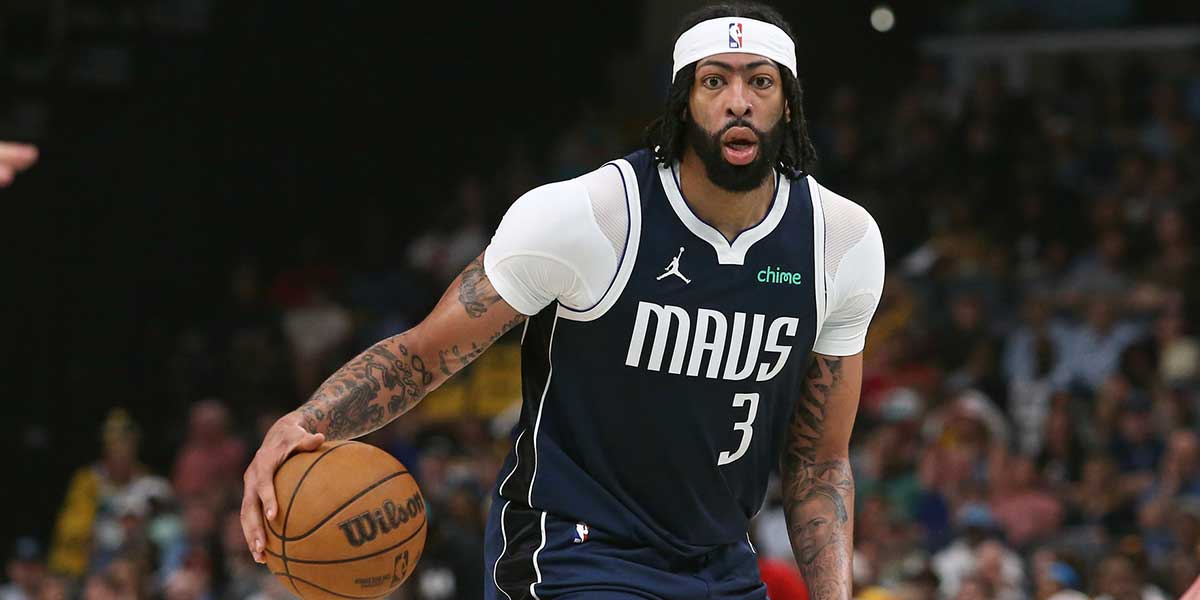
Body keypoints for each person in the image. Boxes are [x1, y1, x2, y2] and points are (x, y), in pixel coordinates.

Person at [240, 3, 885, 599]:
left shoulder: (840, 243)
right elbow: (423, 354)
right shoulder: (590, 217)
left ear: (788, 104)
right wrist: (307, 421)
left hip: (718, 562)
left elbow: (818, 463)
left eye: (760, 82)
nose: (738, 101)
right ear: (683, 103)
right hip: (573, 552)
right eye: (714, 80)